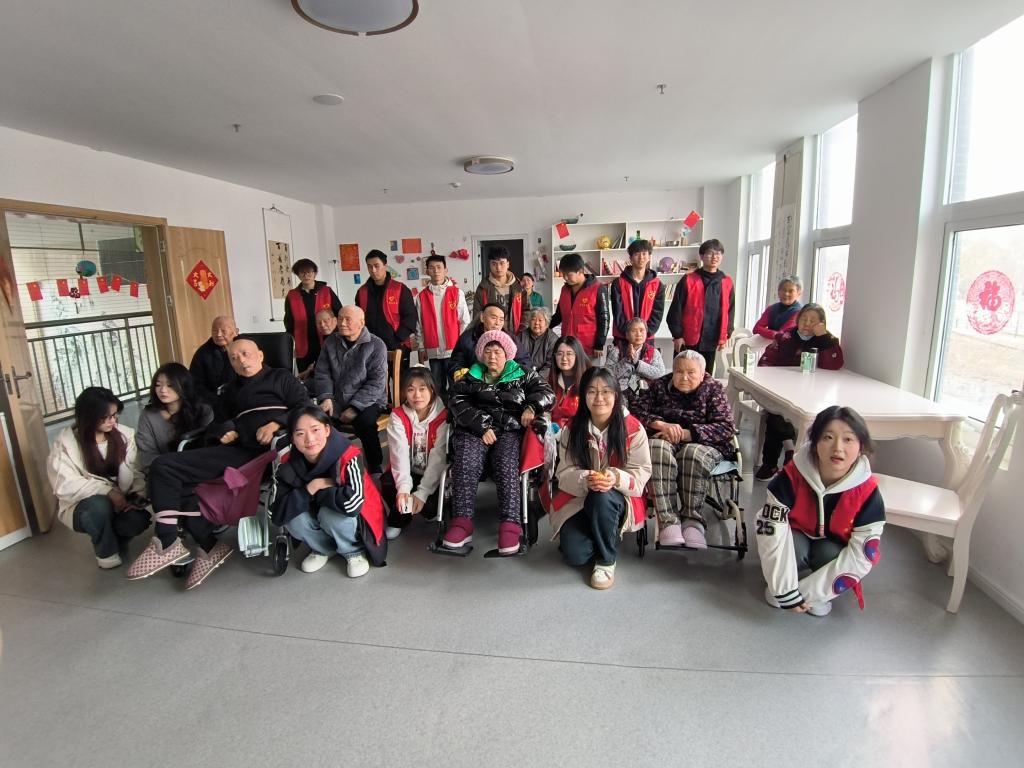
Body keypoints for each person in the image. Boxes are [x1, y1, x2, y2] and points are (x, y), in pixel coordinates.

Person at [126, 338, 310, 589]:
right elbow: (217, 425)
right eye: (234, 358)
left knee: (164, 467)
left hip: (272, 452)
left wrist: (277, 423)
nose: (241, 360)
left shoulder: (282, 378)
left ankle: (170, 541)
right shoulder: (229, 391)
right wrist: (225, 431)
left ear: (260, 355)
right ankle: (204, 546)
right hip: (236, 451)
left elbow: (305, 408)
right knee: (167, 470)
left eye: (245, 354)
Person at [757, 406, 885, 617]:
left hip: (833, 547)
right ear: (815, 443)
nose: (838, 448)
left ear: (861, 447)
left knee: (830, 554)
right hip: (797, 536)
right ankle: (786, 585)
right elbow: (769, 527)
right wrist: (783, 591)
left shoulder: (868, 491)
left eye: (848, 439)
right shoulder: (793, 474)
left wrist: (808, 595)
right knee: (789, 545)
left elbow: (863, 554)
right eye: (828, 437)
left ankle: (817, 593)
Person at [443, 330, 554, 553]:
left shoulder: (522, 374)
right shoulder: (471, 376)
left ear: (507, 354)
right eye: (488, 351)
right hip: (476, 430)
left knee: (506, 463)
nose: (492, 356)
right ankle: (462, 522)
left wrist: (531, 407)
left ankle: (510, 524)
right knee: (465, 460)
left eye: (497, 351)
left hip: (509, 430)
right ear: (481, 354)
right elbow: (456, 400)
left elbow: (546, 392)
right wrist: (482, 425)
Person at [550, 368, 652, 590]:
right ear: (583, 395)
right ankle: (603, 532)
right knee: (575, 555)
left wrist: (615, 478)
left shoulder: (633, 429)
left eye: (606, 391)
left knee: (601, 495)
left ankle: (606, 560)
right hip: (580, 499)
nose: (599, 398)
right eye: (592, 391)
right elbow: (563, 474)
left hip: (619, 498)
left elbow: (641, 475)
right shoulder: (572, 430)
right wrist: (585, 478)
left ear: (616, 395)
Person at [631, 350, 736, 550]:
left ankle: (693, 521)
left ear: (702, 373)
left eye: (691, 372)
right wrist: (660, 424)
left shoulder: (713, 389)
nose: (684, 377)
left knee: (692, 454)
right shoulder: (659, 386)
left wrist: (689, 433)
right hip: (665, 438)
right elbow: (634, 410)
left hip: (704, 444)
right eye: (679, 371)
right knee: (655, 448)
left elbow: (726, 427)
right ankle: (668, 521)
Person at [271, 407, 387, 577]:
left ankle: (353, 550)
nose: (309, 439)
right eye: (300, 433)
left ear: (327, 430)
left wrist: (309, 497)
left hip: (356, 515)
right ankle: (322, 548)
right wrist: (313, 487)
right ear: (292, 439)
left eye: (315, 430)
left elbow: (353, 505)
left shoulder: (349, 456)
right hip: (320, 507)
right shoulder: (287, 464)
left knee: (330, 515)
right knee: (293, 519)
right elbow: (276, 513)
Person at [47, 387, 149, 569]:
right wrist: (107, 491)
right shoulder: (65, 443)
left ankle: (115, 538)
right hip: (85, 506)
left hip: (122, 501)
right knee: (98, 506)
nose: (113, 421)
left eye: (115, 415)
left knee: (137, 520)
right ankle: (106, 552)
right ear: (89, 416)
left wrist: (138, 496)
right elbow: (66, 485)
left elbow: (136, 472)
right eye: (106, 417)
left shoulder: (125, 435)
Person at [754, 303, 845, 480]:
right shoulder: (786, 337)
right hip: (782, 388)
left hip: (813, 393)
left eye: (813, 320)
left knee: (799, 417)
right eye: (804, 319)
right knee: (776, 413)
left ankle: (792, 458)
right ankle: (774, 460)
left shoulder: (827, 340)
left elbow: (834, 365)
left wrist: (824, 337)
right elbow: (766, 360)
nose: (807, 324)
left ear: (822, 323)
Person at [314, 306, 389, 477]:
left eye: (348, 319)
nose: (342, 323)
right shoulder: (331, 342)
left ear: (361, 323)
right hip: (337, 399)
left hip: (370, 400)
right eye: (340, 318)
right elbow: (322, 373)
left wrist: (355, 407)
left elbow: (376, 383)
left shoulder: (376, 345)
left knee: (365, 422)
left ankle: (375, 467)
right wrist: (326, 398)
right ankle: (329, 467)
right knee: (318, 421)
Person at [380, 367, 448, 540]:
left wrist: (423, 492)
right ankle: (399, 519)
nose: (417, 395)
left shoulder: (443, 416)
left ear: (432, 390)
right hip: (409, 470)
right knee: (388, 483)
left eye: (422, 389)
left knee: (430, 507)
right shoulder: (398, 416)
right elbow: (399, 453)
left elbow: (438, 458)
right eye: (411, 389)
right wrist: (403, 488)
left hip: (432, 474)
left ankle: (428, 511)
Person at [667, 238, 735, 376]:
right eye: (710, 253)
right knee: (683, 376)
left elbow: (730, 310)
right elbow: (675, 310)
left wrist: (726, 334)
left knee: (705, 376)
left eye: (718, 253)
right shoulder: (688, 279)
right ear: (702, 256)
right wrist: (678, 335)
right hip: (688, 338)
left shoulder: (726, 281)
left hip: (711, 339)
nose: (715, 257)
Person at [135, 363, 214, 479]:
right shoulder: (148, 414)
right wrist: (168, 468)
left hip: (196, 470)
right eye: (158, 385)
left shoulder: (202, 411)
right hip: (164, 472)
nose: (163, 390)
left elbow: (208, 449)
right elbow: (146, 454)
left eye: (170, 385)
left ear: (184, 385)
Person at [414, 253, 470, 402]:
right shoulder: (421, 296)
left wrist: (461, 346)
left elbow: (465, 321)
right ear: (427, 271)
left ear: (446, 270)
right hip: (433, 350)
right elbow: (418, 324)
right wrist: (421, 347)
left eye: (439, 267)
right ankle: (440, 414)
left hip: (454, 350)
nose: (436, 271)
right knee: (437, 386)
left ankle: (455, 412)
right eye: (432, 268)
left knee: (456, 384)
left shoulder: (456, 293)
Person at [356, 249, 417, 369]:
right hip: (370, 347)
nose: (373, 270)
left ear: (385, 265)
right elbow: (358, 318)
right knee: (375, 380)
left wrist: (397, 339)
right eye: (369, 266)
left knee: (401, 380)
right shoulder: (362, 292)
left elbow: (410, 317)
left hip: (397, 346)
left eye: (376, 266)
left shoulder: (400, 289)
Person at [283, 258, 342, 374]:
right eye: (302, 272)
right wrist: (291, 345)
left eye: (309, 272)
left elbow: (339, 313)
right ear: (298, 275)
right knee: (306, 377)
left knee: (328, 374)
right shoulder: (292, 295)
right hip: (303, 343)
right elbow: (289, 322)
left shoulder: (326, 291)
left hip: (327, 341)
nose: (306, 275)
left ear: (314, 273)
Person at [551, 252, 609, 361]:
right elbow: (559, 315)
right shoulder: (564, 290)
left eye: (569, 274)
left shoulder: (598, 289)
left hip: (588, 348)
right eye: (563, 274)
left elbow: (604, 319)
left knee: (589, 372)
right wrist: (545, 326)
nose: (565, 278)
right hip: (567, 346)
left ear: (581, 271)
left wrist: (599, 344)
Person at [449, 303, 532, 378]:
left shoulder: (510, 339)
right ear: (482, 317)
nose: (497, 323)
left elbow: (524, 360)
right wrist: (459, 372)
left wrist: (513, 375)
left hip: (504, 382)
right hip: (474, 382)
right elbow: (456, 362)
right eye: (493, 318)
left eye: (501, 319)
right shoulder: (467, 337)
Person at [610, 239, 665, 340]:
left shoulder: (657, 285)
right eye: (637, 254)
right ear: (630, 258)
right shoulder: (618, 283)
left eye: (644, 254)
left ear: (649, 257)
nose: (641, 257)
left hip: (647, 337)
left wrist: (645, 334)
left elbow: (657, 313)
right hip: (623, 337)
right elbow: (618, 312)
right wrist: (628, 334)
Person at [605, 317, 667, 404]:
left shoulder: (654, 352)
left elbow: (660, 373)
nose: (638, 334)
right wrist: (626, 360)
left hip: (646, 393)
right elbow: (607, 375)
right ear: (627, 335)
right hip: (620, 393)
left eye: (642, 330)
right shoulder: (616, 351)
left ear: (646, 333)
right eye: (634, 331)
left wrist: (637, 364)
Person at [189, 315, 239, 421]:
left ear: (236, 331)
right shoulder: (202, 353)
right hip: (214, 401)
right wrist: (215, 400)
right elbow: (195, 384)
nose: (219, 334)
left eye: (223, 331)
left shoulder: (245, 347)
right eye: (215, 331)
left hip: (242, 396)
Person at [472, 245, 526, 335]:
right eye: (494, 264)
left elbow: (527, 310)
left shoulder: (518, 286)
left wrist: (521, 332)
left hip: (515, 333)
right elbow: (477, 314)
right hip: (491, 334)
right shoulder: (483, 287)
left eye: (502, 263)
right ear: (490, 265)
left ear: (508, 264)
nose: (498, 268)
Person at [548, 336, 589, 430]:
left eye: (569, 354)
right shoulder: (550, 381)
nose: (564, 358)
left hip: (578, 431)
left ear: (577, 355)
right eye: (560, 354)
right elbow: (546, 409)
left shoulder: (589, 381)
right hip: (553, 432)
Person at [514, 306, 559, 380]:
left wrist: (536, 379)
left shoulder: (553, 340)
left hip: (543, 379)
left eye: (540, 320)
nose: (536, 323)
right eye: (533, 319)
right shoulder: (521, 336)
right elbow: (517, 358)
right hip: (522, 376)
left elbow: (550, 365)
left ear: (547, 323)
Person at [753, 275, 803, 340]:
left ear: (799, 293)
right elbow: (756, 329)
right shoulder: (771, 309)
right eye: (783, 290)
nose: (786, 293)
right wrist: (775, 334)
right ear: (778, 292)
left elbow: (782, 335)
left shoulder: (799, 312)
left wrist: (766, 332)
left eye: (791, 291)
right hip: (768, 344)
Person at [297, 308, 338, 382]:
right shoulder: (326, 337)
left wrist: (312, 370)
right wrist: (311, 369)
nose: (322, 325)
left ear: (335, 320)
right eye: (319, 323)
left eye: (326, 321)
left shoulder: (339, 337)